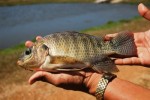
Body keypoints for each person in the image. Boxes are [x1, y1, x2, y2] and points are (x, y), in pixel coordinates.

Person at [25, 3, 150, 100]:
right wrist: (89, 80)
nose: (27, 55)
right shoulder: (44, 56)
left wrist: (90, 81)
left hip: (93, 60)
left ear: (44, 50)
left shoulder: (48, 58)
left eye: (28, 53)